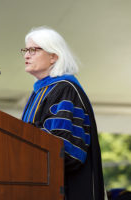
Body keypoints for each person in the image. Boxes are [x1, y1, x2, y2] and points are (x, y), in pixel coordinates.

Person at [21, 26, 105, 200]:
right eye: (25, 50)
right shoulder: (40, 91)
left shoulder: (65, 89)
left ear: (54, 56)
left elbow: (64, 148)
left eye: (33, 50)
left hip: (66, 190)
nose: (26, 55)